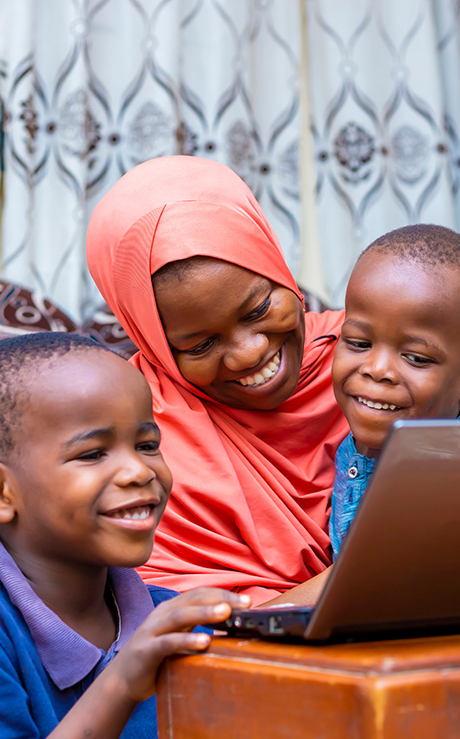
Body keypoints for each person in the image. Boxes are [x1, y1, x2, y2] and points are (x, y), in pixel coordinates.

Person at [0, 333, 246, 739]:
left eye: (147, 445)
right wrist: (124, 680)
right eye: (92, 453)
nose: (139, 472)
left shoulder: (166, 616)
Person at [86, 155, 348, 606]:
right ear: (154, 343)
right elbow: (180, 630)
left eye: (260, 310)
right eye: (201, 346)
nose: (249, 353)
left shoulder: (370, 361)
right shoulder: (135, 438)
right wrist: (375, 577)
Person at [329, 224, 460, 555]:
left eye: (416, 358)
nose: (376, 370)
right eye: (359, 343)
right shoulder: (350, 449)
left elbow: (370, 578)